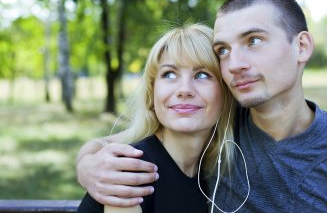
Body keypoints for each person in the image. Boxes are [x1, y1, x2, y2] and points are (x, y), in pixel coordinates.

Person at [76, 0, 327, 212]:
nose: (235, 64)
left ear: (301, 46)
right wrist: (88, 164)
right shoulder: (217, 130)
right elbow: (122, 144)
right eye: (223, 50)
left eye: (254, 41)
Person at [76, 23, 236, 212]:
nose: (184, 90)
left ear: (226, 91)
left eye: (202, 74)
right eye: (169, 74)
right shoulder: (130, 172)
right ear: (153, 95)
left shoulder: (206, 172)